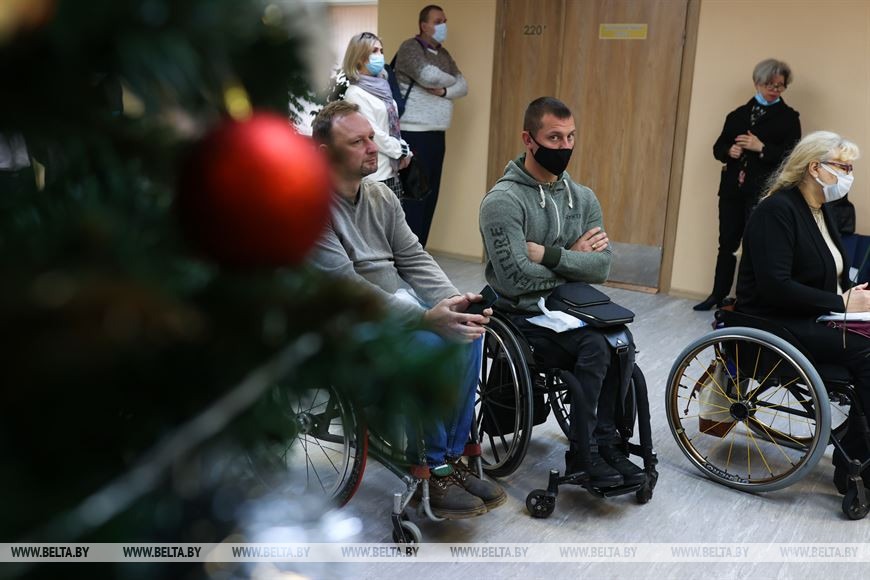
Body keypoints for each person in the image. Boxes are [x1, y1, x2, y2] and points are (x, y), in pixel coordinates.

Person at [309, 101, 506, 519]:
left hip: (393, 307)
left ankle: (450, 457)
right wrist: (425, 318)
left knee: (468, 334)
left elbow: (413, 258)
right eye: (358, 141)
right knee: (428, 345)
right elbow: (345, 285)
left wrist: (454, 303)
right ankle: (431, 467)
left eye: (371, 137)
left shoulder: (380, 195)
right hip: (345, 320)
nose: (372, 147)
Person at [479, 96, 645, 489]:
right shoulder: (502, 202)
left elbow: (602, 267)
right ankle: (584, 453)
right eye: (554, 137)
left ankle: (608, 443)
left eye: (570, 137)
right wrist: (574, 258)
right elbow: (516, 279)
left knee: (620, 339)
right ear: (529, 139)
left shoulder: (583, 198)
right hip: (520, 314)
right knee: (596, 346)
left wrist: (550, 254)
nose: (564, 146)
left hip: (570, 307)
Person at [735, 131, 870, 492]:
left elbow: (831, 274)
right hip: (776, 321)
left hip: (814, 315)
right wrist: (841, 303)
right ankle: (856, 461)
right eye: (843, 167)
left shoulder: (822, 211)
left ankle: (858, 449)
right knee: (866, 353)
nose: (849, 175)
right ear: (814, 168)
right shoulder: (777, 210)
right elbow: (776, 287)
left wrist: (853, 294)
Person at [695, 58, 801, 311]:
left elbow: (792, 156)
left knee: (754, 246)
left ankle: (745, 300)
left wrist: (761, 147)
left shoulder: (789, 118)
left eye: (780, 86)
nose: (774, 90)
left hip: (762, 191)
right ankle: (717, 295)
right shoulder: (738, 115)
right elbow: (718, 147)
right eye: (769, 85)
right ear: (756, 83)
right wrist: (728, 151)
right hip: (732, 190)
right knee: (727, 243)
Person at [393, 4, 467, 247]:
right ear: (424, 25)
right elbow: (428, 76)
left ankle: (419, 251)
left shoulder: (443, 54)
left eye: (444, 20)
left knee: (430, 196)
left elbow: (463, 86)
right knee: (413, 197)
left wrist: (445, 90)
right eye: (437, 21)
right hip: (414, 133)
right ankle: (405, 254)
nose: (443, 25)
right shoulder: (410, 48)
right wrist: (451, 80)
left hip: (437, 135)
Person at [341, 32, 411, 197]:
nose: (380, 55)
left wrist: (404, 149)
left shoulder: (383, 87)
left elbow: (391, 127)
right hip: (373, 176)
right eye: (374, 51)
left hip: (392, 172)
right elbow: (372, 133)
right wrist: (402, 150)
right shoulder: (355, 93)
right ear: (359, 57)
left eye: (381, 51)